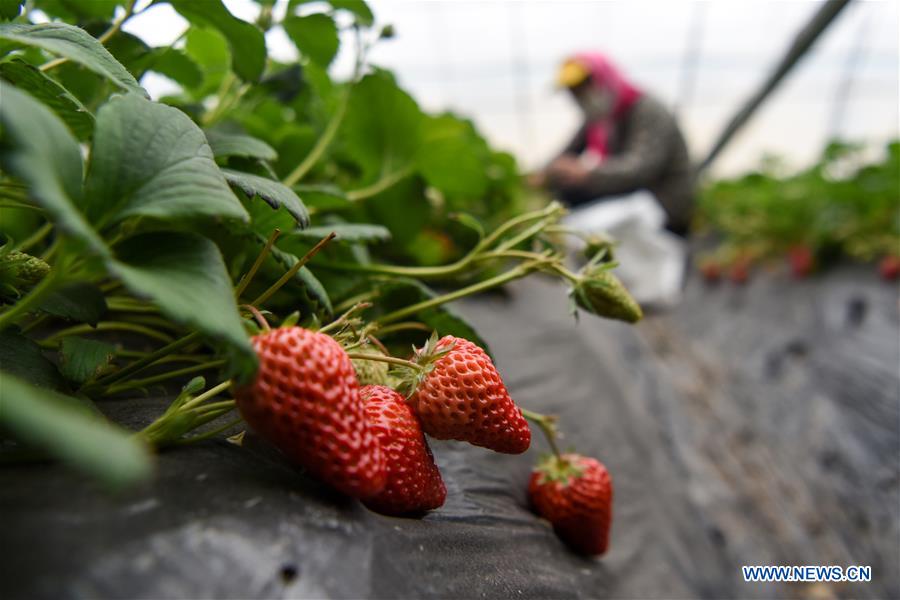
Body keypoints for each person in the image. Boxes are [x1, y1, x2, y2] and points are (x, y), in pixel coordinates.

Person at [534, 52, 695, 236]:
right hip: (631, 197)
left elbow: (639, 169)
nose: (581, 98)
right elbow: (567, 152)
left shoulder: (647, 109)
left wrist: (585, 173)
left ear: (604, 79)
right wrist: (544, 172)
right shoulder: (598, 117)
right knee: (567, 193)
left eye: (584, 88)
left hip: (664, 204)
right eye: (575, 93)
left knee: (581, 213)